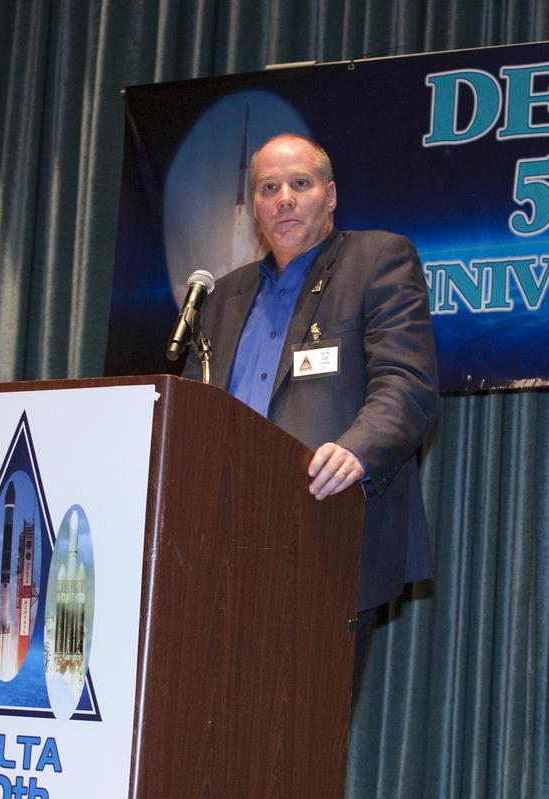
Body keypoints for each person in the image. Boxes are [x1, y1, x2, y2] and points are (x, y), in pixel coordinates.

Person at [182, 132, 439, 615]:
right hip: (219, 541)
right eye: (268, 188)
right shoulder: (221, 299)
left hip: (328, 526)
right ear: (253, 208)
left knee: (303, 690)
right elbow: (195, 412)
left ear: (331, 196)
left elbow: (407, 384)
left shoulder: (377, 261)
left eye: (300, 183)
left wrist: (355, 451)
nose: (284, 200)